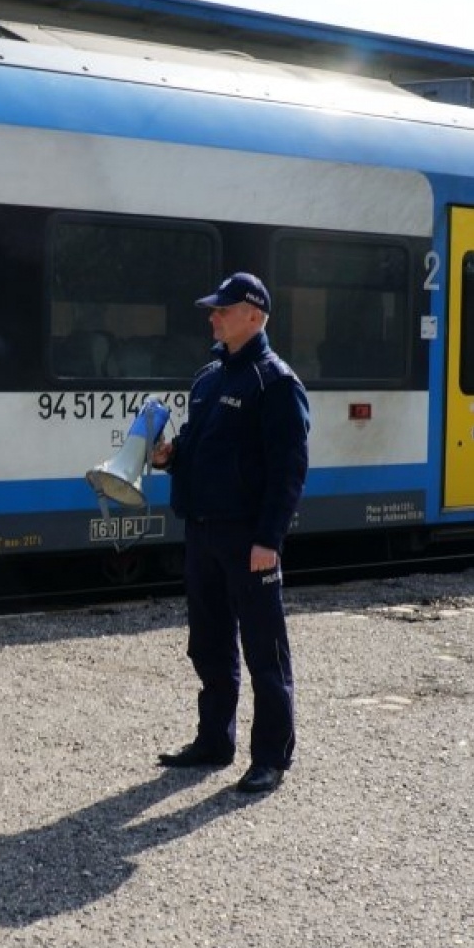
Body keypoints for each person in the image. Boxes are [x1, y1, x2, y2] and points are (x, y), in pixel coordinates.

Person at [150, 272, 311, 795]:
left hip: (248, 539)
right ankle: (214, 741)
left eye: (223, 309)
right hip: (202, 532)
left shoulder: (275, 383)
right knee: (209, 644)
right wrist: (169, 458)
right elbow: (195, 449)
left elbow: (289, 472)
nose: (213, 317)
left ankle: (271, 758)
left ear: (254, 315)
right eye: (213, 310)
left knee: (265, 651)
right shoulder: (208, 379)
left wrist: (269, 539)